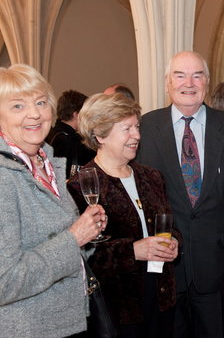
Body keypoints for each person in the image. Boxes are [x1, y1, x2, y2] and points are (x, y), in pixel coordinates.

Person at [136, 51, 224, 338]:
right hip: (164, 269)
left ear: (207, 82)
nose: (189, 82)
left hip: (215, 266)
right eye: (180, 75)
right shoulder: (144, 129)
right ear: (167, 83)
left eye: (197, 75)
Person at [0, 64, 106, 337]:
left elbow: (57, 242)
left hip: (66, 323)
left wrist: (88, 236)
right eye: (17, 106)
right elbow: (5, 282)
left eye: (41, 102)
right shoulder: (4, 177)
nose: (34, 113)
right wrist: (74, 237)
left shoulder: (44, 162)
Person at [68, 92, 180, 338]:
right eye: (126, 129)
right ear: (99, 135)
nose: (137, 136)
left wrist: (174, 243)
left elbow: (169, 225)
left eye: (137, 127)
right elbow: (82, 256)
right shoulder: (81, 186)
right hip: (117, 309)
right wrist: (133, 251)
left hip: (161, 299)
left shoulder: (151, 176)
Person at [46, 89, 95, 178]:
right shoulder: (66, 141)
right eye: (86, 113)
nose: (88, 118)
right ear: (76, 114)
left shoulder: (53, 134)